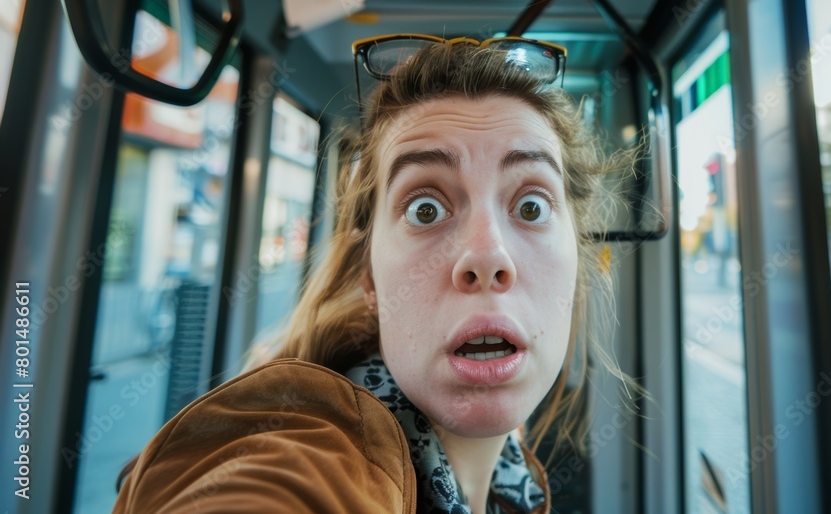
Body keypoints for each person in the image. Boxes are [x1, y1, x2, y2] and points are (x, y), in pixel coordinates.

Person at [113, 36, 639, 514]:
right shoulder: (310, 443)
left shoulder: (512, 481)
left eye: (530, 208)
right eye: (425, 210)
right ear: (369, 279)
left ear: (578, 255)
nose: (486, 255)